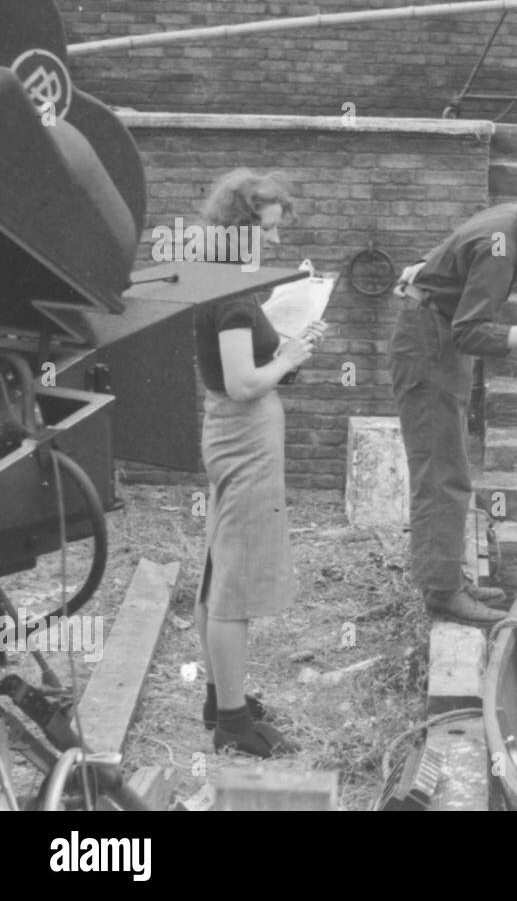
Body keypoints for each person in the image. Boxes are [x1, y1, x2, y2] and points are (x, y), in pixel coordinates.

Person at [389, 163, 517, 623]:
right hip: (431, 347)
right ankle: (443, 593)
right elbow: (469, 332)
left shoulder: (515, 220)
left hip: (434, 335)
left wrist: (425, 270)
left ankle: (447, 578)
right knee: (443, 474)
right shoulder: (501, 244)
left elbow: (454, 258)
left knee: (449, 467)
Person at [193, 169, 325, 757]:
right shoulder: (232, 294)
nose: (273, 243)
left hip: (234, 429)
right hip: (243, 432)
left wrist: (289, 348)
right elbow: (243, 382)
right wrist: (289, 355)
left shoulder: (223, 281)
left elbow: (246, 368)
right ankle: (231, 722)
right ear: (240, 229)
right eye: (267, 232)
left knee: (220, 568)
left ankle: (220, 696)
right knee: (236, 585)